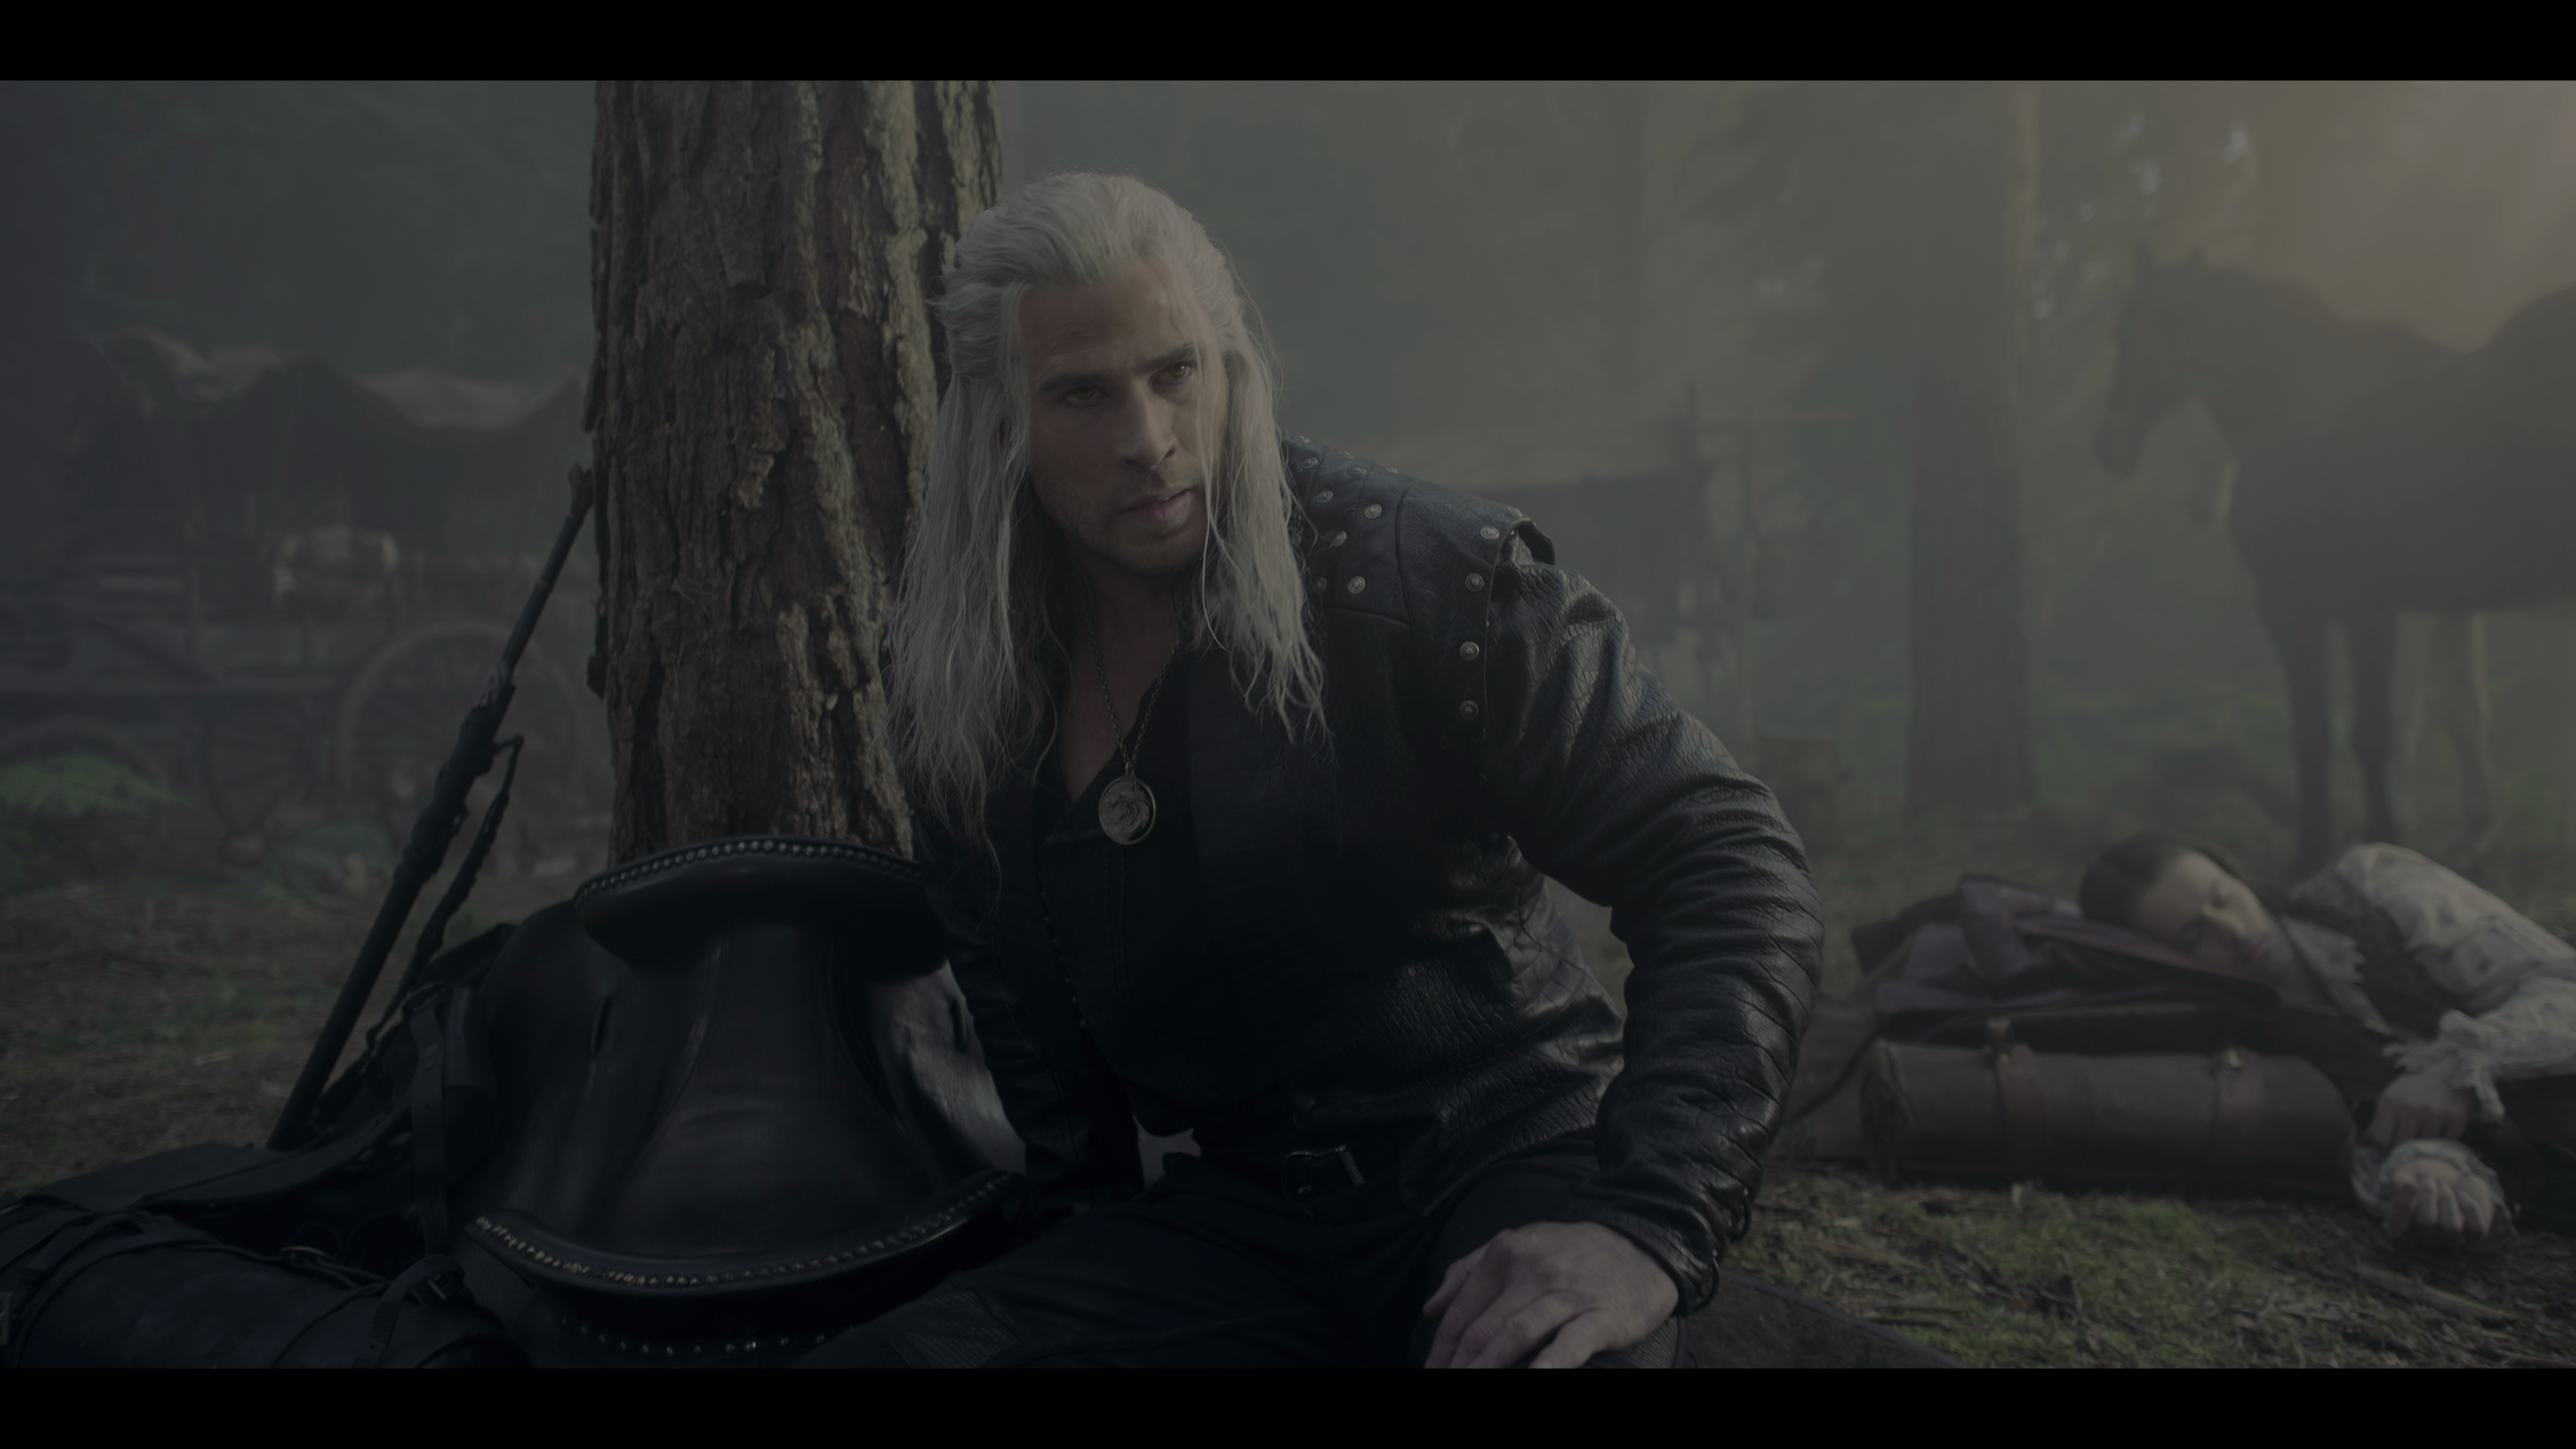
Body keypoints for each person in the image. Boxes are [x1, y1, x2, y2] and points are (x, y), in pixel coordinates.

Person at [835, 174, 1821, 1367]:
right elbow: (1021, 1015)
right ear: (1002, 421)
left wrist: (1648, 1224)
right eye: (1083, 394)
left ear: (1230, 366)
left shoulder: (1422, 579)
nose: (1147, 440)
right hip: (1236, 1221)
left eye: (1174, 372)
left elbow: (1723, 858)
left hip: (1506, 1163)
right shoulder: (960, 669)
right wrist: (1074, 1273)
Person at [2082, 830, 2576, 1247]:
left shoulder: (2372, 886)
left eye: (2223, 897)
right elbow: (2364, 1150)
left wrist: (2458, 1069)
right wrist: (2436, 1173)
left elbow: (2562, 982)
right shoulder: (2243, 1056)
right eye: (2194, 936)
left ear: (2239, 878)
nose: (2232, 930)